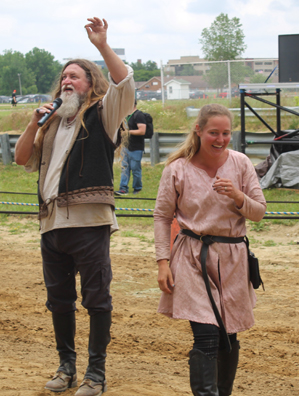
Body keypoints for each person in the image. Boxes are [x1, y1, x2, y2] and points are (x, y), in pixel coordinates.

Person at [14, 17, 135, 396]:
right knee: (58, 300)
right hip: (51, 226)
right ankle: (66, 367)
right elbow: (20, 160)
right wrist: (34, 124)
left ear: (90, 85)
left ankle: (95, 374)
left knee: (97, 297)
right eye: (64, 77)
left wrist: (101, 46)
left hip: (89, 223)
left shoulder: (103, 114)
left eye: (75, 77)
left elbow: (125, 86)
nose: (67, 81)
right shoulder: (49, 125)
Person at [154, 103, 266, 396]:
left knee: (228, 337)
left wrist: (238, 196)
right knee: (206, 336)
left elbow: (258, 212)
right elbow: (162, 217)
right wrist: (162, 262)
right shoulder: (177, 169)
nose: (220, 139)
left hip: (233, 259)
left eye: (226, 133)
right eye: (213, 132)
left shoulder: (241, 164)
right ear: (199, 131)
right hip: (192, 257)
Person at [115, 101, 147, 195]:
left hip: (136, 148)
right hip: (126, 147)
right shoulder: (126, 116)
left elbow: (142, 131)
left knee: (135, 169)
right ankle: (123, 188)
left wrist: (128, 132)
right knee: (124, 168)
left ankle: (137, 188)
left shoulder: (139, 115)